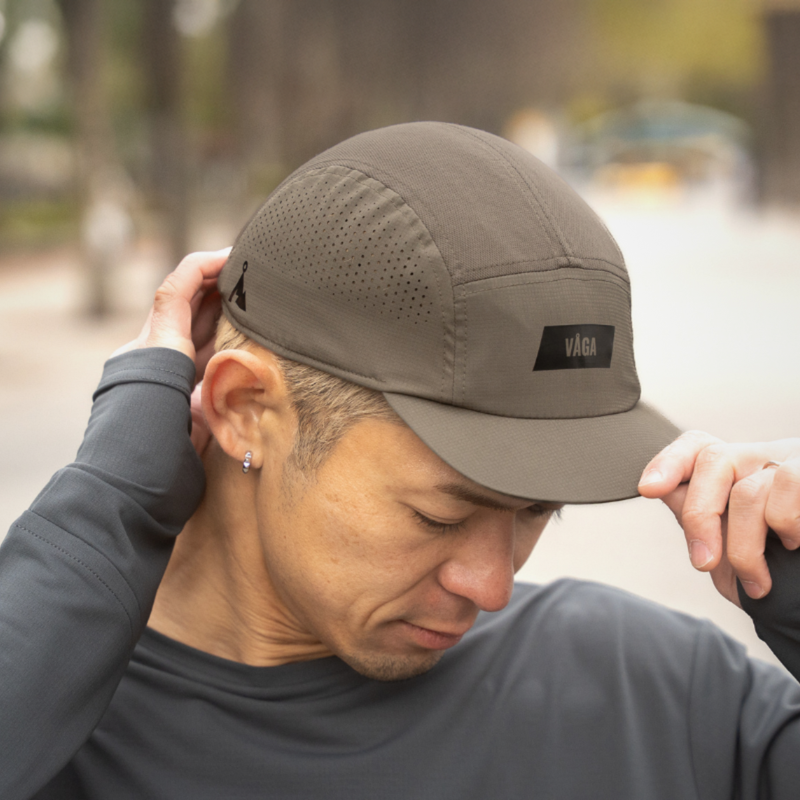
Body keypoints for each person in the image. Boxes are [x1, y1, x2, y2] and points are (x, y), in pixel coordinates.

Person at [1, 122, 799, 799]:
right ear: (244, 409)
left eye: (536, 511)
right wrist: (110, 498)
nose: (491, 587)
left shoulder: (649, 695)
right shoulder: (53, 721)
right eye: (438, 515)